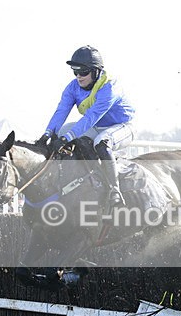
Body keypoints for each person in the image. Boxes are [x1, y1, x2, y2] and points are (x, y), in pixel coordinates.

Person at [37, 45, 135, 208]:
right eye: (75, 72)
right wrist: (47, 134)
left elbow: (91, 117)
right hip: (96, 126)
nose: (78, 77)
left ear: (96, 71)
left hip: (122, 127)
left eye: (83, 72)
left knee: (101, 143)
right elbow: (61, 111)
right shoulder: (72, 87)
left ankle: (114, 190)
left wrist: (67, 138)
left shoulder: (109, 87)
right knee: (60, 133)